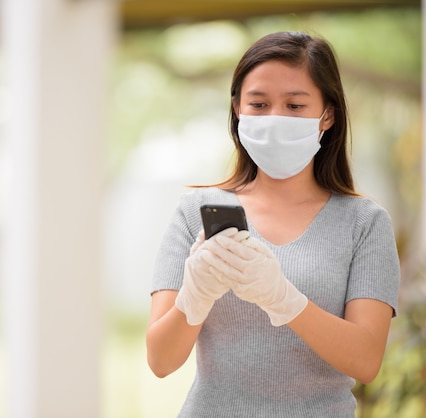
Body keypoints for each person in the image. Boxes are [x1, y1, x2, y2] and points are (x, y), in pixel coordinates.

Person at [146, 31, 400, 417]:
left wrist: (284, 299)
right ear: (237, 109)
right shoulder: (194, 212)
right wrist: (193, 298)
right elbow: (160, 361)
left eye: (295, 105)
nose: (274, 119)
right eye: (259, 104)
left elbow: (366, 361)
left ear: (327, 114)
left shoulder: (364, 223)